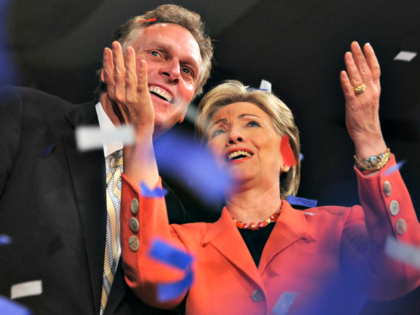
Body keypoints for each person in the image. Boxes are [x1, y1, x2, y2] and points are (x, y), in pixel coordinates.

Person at [119, 42, 420, 315]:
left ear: (287, 155)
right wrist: (140, 138)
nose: (234, 135)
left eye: (251, 124)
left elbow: (401, 269)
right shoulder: (187, 242)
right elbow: (151, 277)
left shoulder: (339, 227)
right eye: (219, 130)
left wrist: (369, 136)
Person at [0, 4, 212, 315]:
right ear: (110, 66)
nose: (173, 72)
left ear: (184, 110)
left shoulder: (175, 216)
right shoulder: (24, 115)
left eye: (188, 71)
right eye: (157, 54)